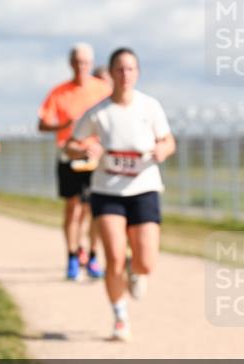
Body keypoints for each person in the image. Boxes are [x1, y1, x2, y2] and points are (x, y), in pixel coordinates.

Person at [67, 48, 175, 341]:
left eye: (130, 69)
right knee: (113, 258)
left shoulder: (150, 107)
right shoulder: (98, 113)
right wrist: (86, 148)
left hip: (144, 188)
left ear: (137, 73)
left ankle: (136, 268)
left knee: (146, 262)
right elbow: (70, 145)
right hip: (108, 190)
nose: (125, 75)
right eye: (119, 69)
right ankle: (119, 316)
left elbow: (167, 140)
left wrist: (163, 149)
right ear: (111, 74)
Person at [38, 43, 112, 280]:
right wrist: (64, 124)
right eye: (77, 62)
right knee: (73, 208)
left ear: (90, 64)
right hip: (68, 155)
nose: (81, 67)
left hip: (95, 156)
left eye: (85, 62)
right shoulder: (59, 92)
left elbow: (114, 120)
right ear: (71, 64)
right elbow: (41, 123)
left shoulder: (103, 89)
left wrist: (102, 145)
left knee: (93, 209)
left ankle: (92, 255)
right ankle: (71, 256)